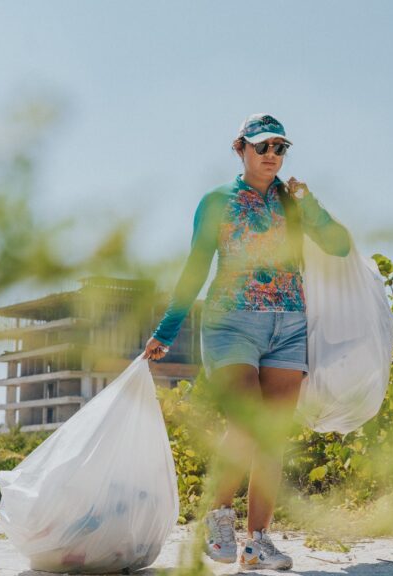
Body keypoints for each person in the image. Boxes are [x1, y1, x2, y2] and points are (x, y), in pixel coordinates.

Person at [143, 113, 350, 570]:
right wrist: (167, 329)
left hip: (289, 325)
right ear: (240, 148)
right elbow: (196, 267)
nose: (272, 155)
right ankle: (216, 517)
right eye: (263, 147)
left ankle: (257, 541)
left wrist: (310, 204)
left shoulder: (293, 202)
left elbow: (337, 245)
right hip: (231, 324)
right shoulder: (217, 201)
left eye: (279, 147)